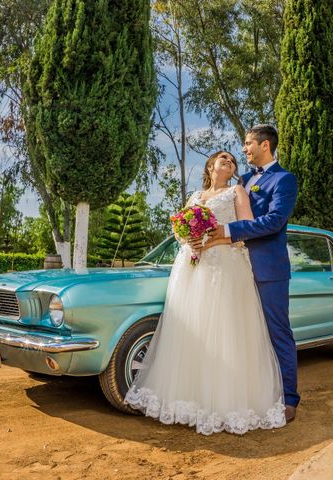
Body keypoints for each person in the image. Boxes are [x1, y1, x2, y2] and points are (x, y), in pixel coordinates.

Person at [124, 151, 287, 435]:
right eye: (223, 158)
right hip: (191, 266)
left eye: (233, 161)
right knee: (189, 329)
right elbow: (179, 230)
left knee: (224, 330)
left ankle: (223, 403)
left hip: (225, 265)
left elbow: (247, 228)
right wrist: (190, 239)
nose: (230, 162)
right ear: (211, 166)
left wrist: (216, 241)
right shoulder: (195, 196)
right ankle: (186, 400)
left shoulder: (237, 191)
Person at [199, 124, 300, 422]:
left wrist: (226, 230)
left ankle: (289, 398)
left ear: (264, 145)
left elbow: (274, 221)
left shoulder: (284, 179)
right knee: (240, 336)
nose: (244, 149)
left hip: (268, 270)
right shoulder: (240, 181)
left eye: (247, 144)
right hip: (233, 272)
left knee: (277, 333)